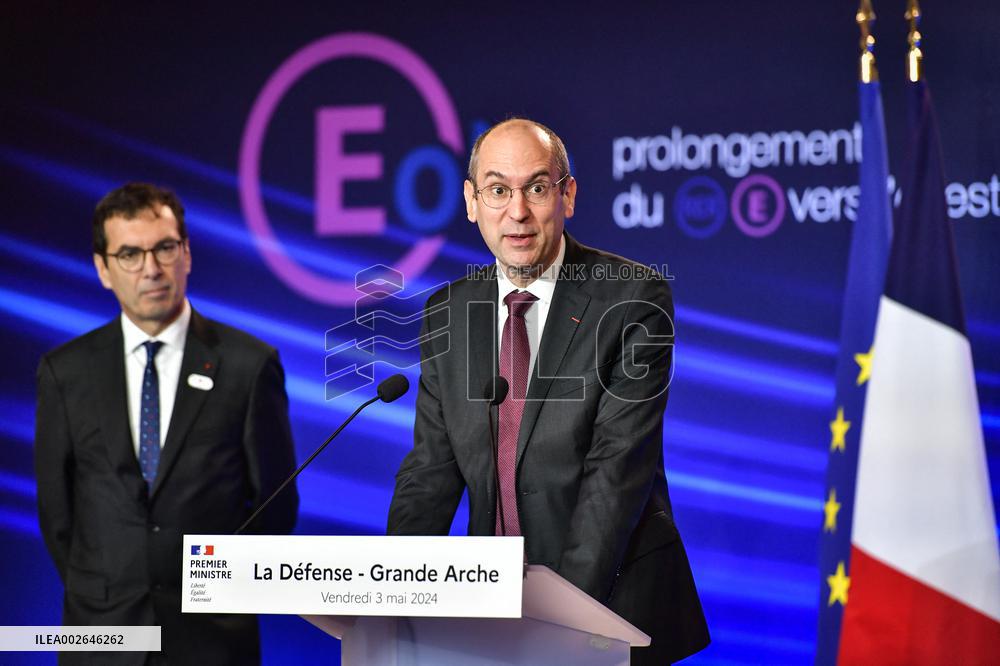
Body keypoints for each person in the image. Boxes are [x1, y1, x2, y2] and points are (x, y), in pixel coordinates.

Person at [387, 119, 709, 664]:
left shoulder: (632, 299)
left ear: (568, 195)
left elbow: (615, 475)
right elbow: (430, 474)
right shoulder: (449, 311)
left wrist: (555, 626)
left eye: (537, 187)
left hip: (609, 612)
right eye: (497, 190)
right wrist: (394, 598)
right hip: (489, 618)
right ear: (471, 201)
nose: (517, 211)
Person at [34, 183, 299, 665]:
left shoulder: (248, 365)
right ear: (102, 269)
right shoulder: (65, 372)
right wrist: (103, 591)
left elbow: (274, 506)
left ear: (187, 254)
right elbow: (58, 516)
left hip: (212, 641)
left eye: (164, 248)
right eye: (130, 254)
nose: (151, 269)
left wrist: (224, 593)